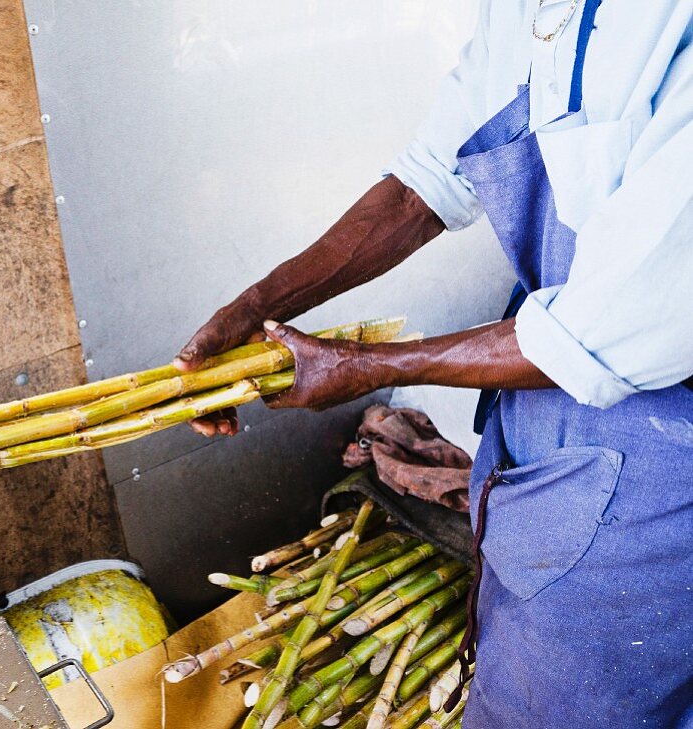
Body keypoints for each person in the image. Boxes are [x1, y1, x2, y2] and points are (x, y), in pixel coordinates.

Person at [174, 1, 693, 726]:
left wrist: (363, 365)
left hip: (660, 471)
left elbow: (610, 323)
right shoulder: (524, 9)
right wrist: (258, 304)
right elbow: (424, 184)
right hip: (538, 426)